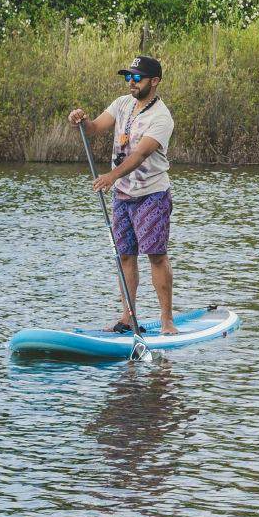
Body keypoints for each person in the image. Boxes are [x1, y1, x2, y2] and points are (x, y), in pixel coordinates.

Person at [68, 55, 178, 335]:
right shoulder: (122, 104)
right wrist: (81, 120)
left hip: (151, 194)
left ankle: (167, 321)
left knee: (156, 255)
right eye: (128, 77)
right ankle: (128, 317)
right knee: (125, 256)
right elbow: (93, 129)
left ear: (154, 81)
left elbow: (141, 154)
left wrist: (110, 177)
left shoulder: (161, 118)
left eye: (137, 78)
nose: (131, 82)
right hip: (122, 195)